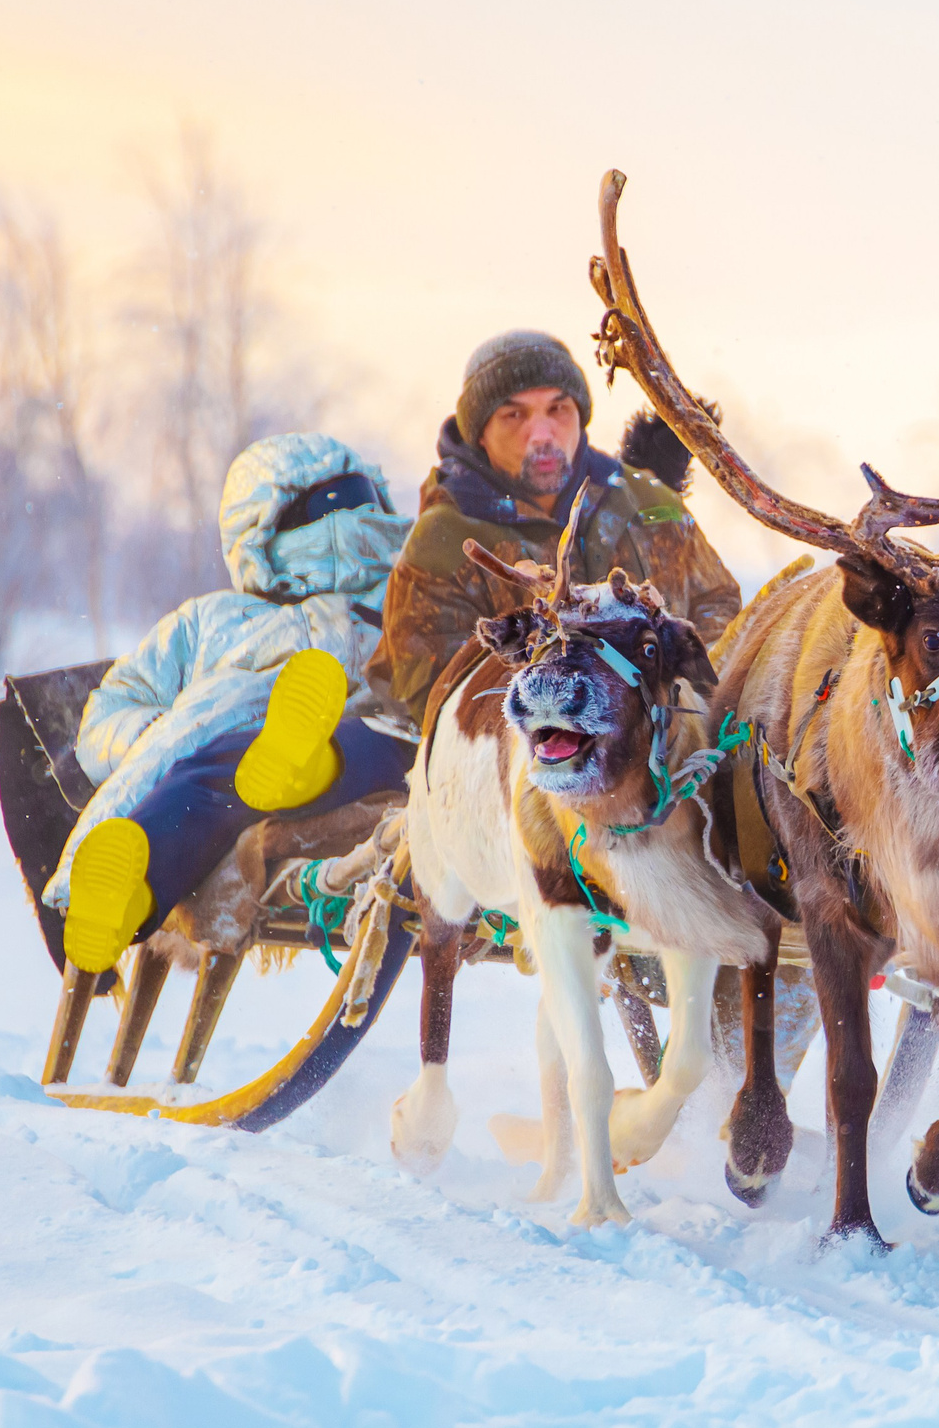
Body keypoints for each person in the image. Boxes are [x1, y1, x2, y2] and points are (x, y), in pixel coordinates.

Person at [44, 434, 415, 974]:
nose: (348, 516)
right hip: (246, 758)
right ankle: (124, 896)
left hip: (373, 744)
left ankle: (302, 764)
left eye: (359, 499)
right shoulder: (211, 619)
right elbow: (113, 709)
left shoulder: (404, 604)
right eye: (318, 508)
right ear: (260, 530)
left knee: (373, 739)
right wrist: (162, 732)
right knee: (211, 771)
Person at [366, 328, 741, 725]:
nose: (543, 435)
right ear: (480, 433)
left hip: (671, 749)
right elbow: (441, 699)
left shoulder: (651, 505)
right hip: (523, 763)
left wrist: (675, 702)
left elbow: (723, 617)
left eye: (558, 409)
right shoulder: (443, 541)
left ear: (580, 414)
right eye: (514, 415)